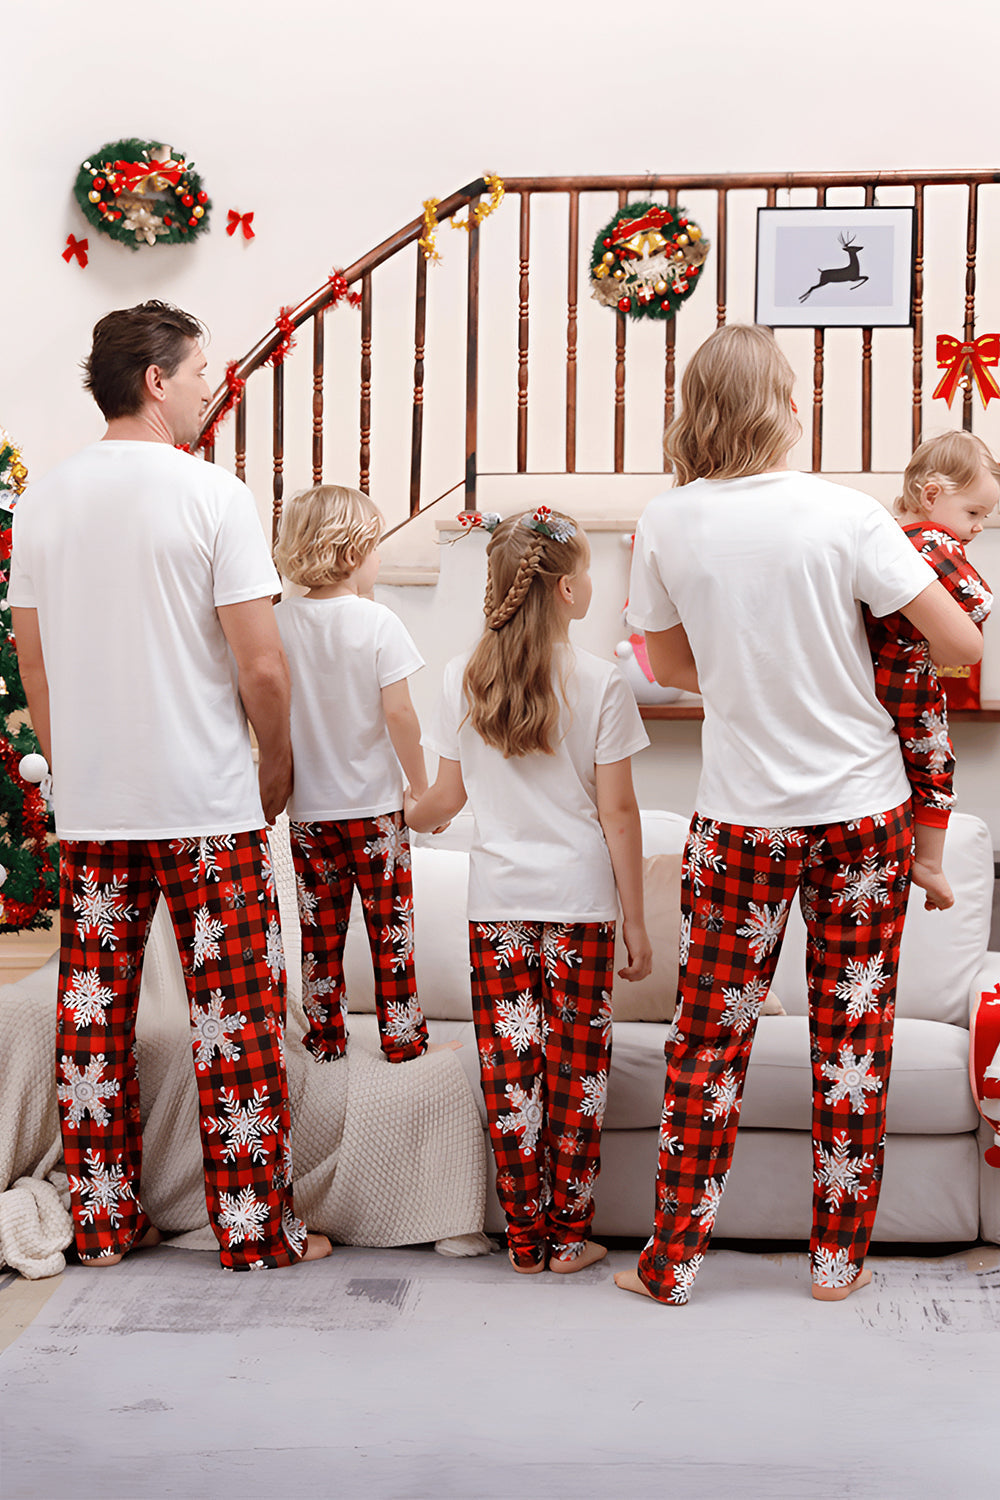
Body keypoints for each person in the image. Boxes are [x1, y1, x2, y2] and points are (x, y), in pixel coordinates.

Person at [615, 324, 983, 1305]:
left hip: (739, 820)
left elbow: (670, 664)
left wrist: (755, 671)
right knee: (851, 1036)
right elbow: (957, 645)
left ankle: (671, 1264)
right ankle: (835, 1263)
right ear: (785, 405)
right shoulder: (847, 514)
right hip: (864, 814)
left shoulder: (667, 520)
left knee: (707, 1040)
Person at [9, 301, 331, 1270]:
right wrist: (277, 761)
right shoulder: (212, 494)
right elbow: (261, 664)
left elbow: (34, 665)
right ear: (155, 379)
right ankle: (254, 1233)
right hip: (206, 807)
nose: (205, 389)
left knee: (93, 1019)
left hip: (96, 810)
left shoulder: (43, 502)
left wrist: (77, 769)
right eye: (197, 373)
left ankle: (104, 1227)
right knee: (234, 1021)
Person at [405, 507, 652, 1274]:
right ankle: (569, 1237)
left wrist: (398, 815)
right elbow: (618, 815)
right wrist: (636, 922)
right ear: (568, 590)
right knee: (576, 1074)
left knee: (510, 1075)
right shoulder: (602, 683)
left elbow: (443, 803)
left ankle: (523, 1239)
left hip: (497, 908)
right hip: (580, 907)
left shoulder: (461, 678)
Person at [272, 483, 435, 1064]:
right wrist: (420, 787)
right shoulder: (377, 622)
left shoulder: (277, 624)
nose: (380, 557)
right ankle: (403, 1041)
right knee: (391, 933)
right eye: (376, 546)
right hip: (376, 812)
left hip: (309, 813)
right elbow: (401, 714)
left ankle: (325, 1041)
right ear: (352, 551)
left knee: (319, 935)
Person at [864, 430, 997, 912]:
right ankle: (929, 863)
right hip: (910, 679)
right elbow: (977, 602)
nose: (978, 527)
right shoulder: (933, 540)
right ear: (932, 495)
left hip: (870, 677)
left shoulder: (885, 535)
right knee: (934, 764)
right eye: (974, 513)